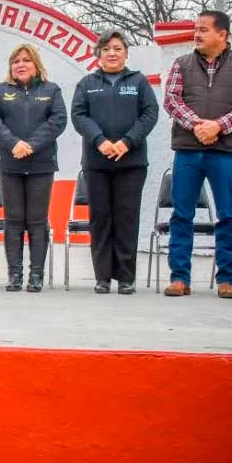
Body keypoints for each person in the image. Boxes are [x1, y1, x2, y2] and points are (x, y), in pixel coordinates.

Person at [162, 10, 232, 299]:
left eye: (203, 29)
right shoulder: (181, 64)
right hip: (188, 151)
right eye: (196, 29)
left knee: (228, 214)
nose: (197, 34)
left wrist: (219, 126)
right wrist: (196, 125)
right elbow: (172, 100)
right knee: (182, 214)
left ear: (222, 34)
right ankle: (180, 278)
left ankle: (226, 279)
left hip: (225, 152)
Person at [70, 30, 159, 295]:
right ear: (98, 54)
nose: (112, 53)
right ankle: (103, 277)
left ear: (126, 53)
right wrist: (99, 140)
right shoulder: (86, 83)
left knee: (126, 218)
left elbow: (149, 114)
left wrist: (127, 141)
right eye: (106, 49)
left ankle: (126, 277)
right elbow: (79, 115)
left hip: (131, 163)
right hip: (97, 163)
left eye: (117, 48)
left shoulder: (139, 82)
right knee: (100, 219)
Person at [0, 43, 67, 293]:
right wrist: (14, 144)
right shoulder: (1, 91)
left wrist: (31, 145)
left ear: (36, 65)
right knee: (13, 221)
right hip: (10, 165)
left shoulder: (51, 90)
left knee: (37, 221)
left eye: (26, 60)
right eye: (16, 61)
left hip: (41, 165)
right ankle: (15, 275)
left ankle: (36, 275)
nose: (21, 64)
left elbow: (58, 120)